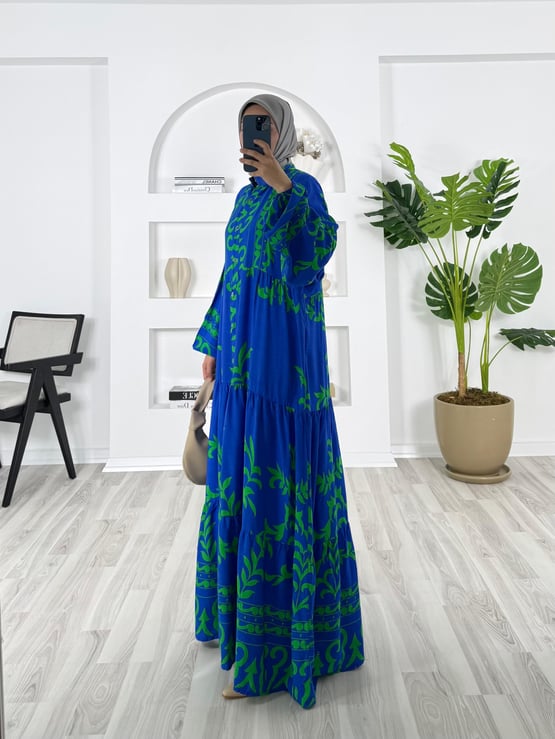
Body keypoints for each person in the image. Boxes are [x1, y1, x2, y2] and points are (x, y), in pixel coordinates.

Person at [193, 93, 364, 709]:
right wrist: (214, 345)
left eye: (261, 126)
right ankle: (242, 630)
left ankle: (273, 658)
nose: (252, 137)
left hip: (285, 375)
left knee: (276, 492)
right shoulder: (243, 201)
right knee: (239, 487)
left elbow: (316, 251)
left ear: (281, 133)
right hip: (240, 370)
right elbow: (232, 275)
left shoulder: (304, 189)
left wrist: (283, 183)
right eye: (246, 128)